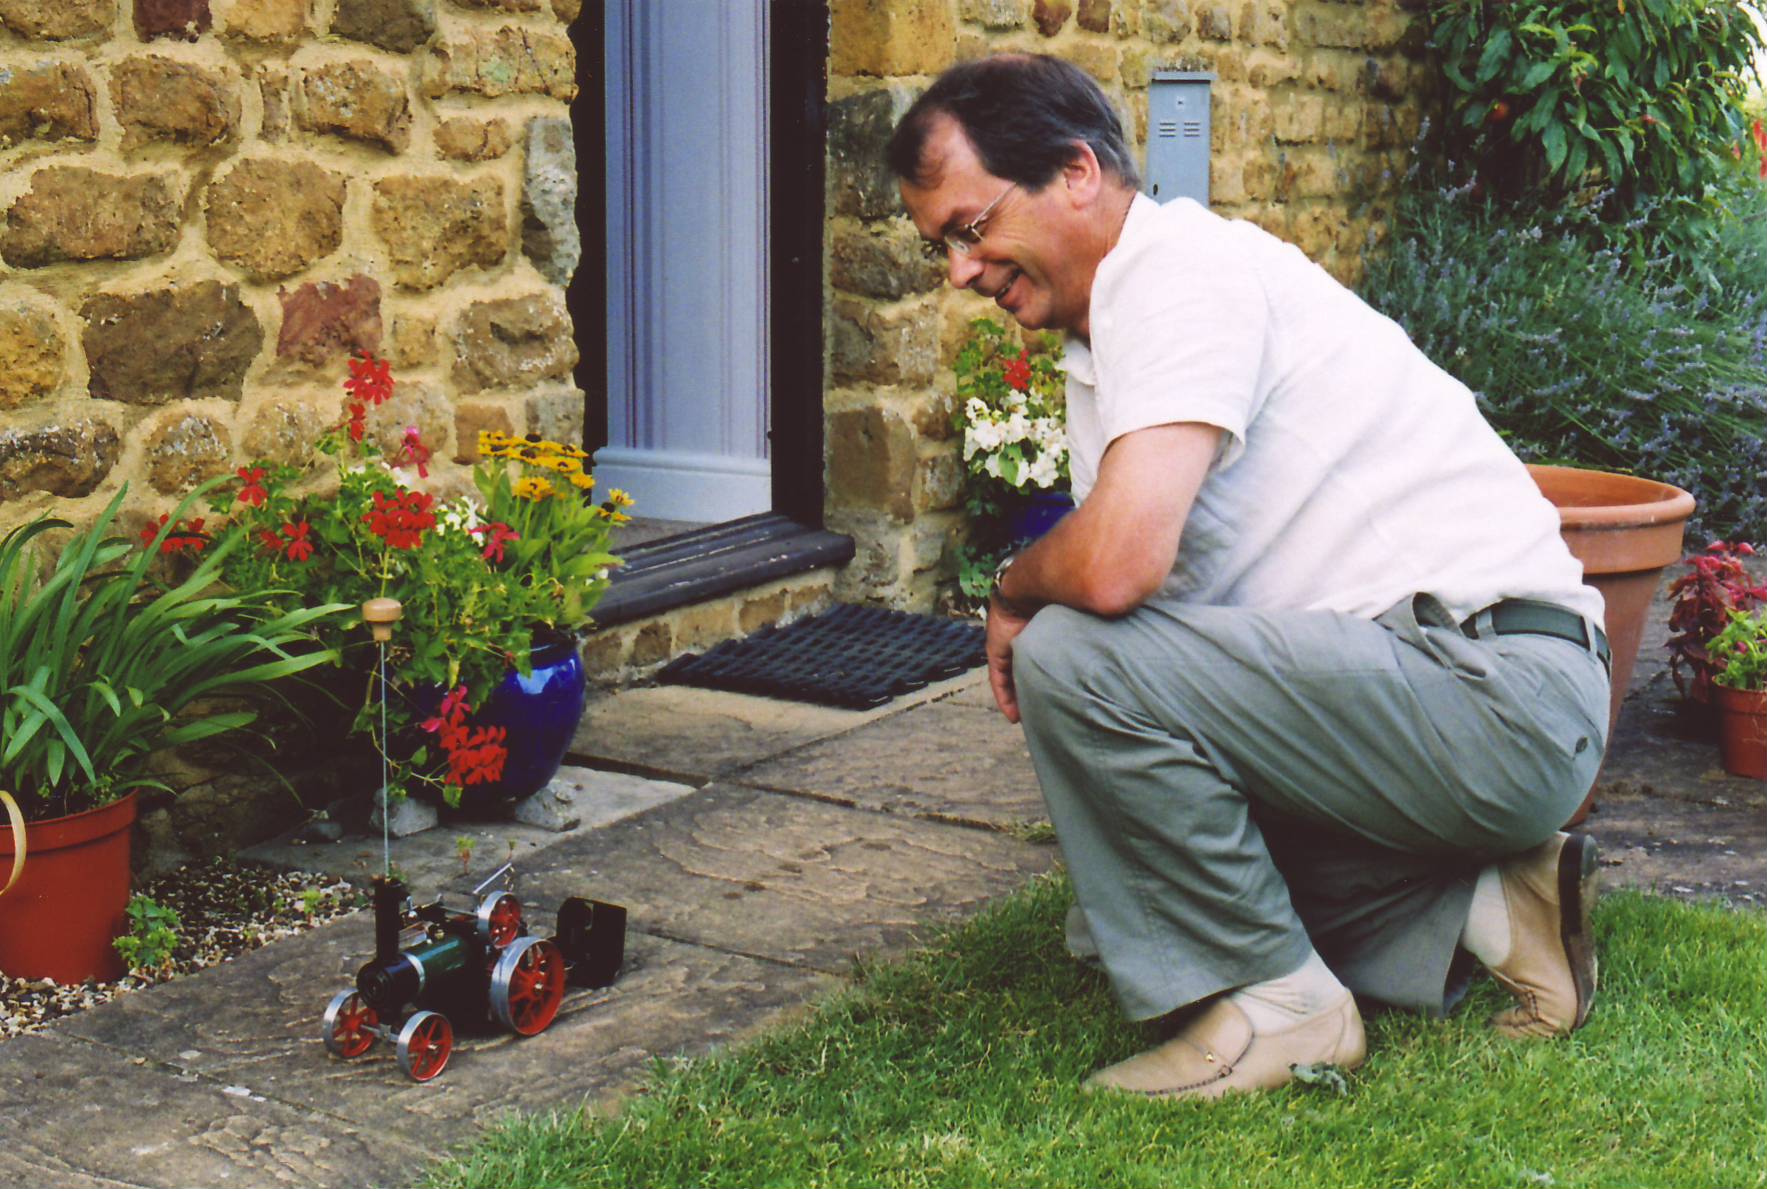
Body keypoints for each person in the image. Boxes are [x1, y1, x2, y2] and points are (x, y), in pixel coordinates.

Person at [886, 54, 1611, 1100]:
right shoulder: (1120, 326)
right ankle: (1495, 909)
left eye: (969, 227)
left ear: (1078, 173)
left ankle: (1287, 1011)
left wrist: (1011, 588)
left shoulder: (1179, 275)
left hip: (1494, 688)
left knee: (1071, 657)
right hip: (1458, 692)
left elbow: (1122, 563)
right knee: (1123, 898)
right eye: (938, 248)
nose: (960, 269)